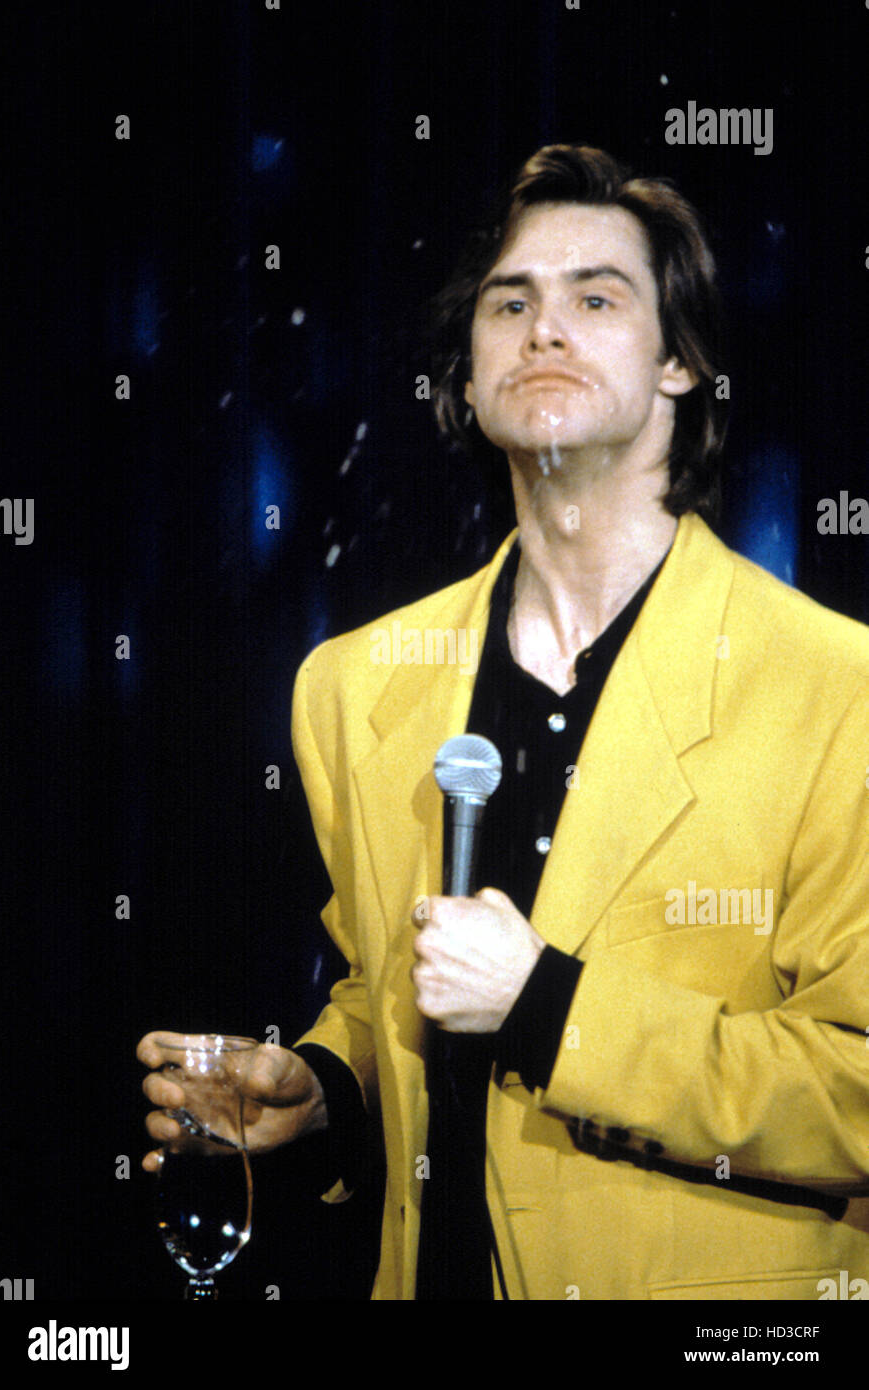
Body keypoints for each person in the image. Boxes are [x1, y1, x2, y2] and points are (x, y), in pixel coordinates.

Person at [140, 144, 869, 1301]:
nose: (544, 328)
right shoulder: (352, 684)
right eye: (511, 302)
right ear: (467, 382)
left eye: (596, 297)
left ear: (681, 363)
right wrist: (326, 1083)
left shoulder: (833, 687)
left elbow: (855, 1091)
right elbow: (395, 988)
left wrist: (550, 1008)